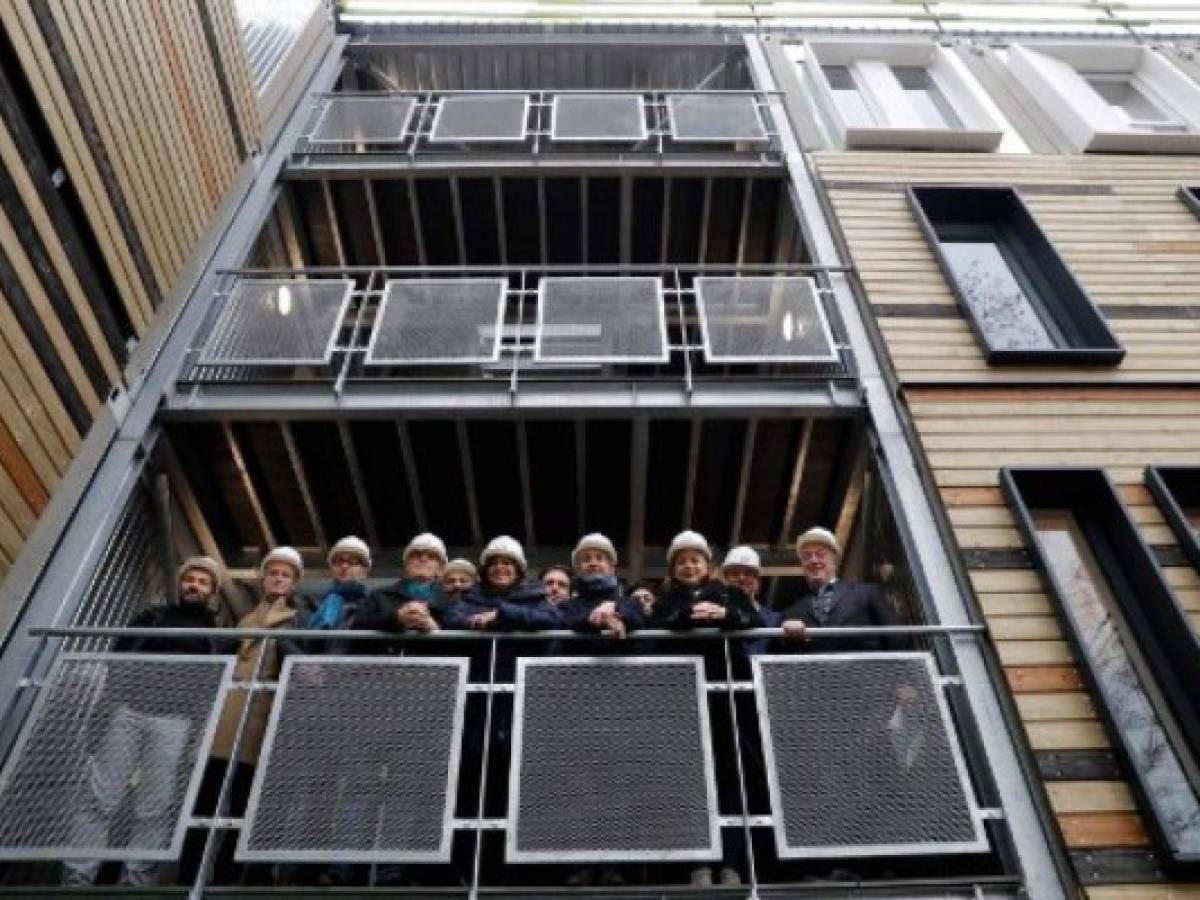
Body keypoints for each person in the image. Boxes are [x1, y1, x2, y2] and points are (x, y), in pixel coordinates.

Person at [63, 557, 226, 887]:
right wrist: (105, 710)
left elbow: (213, 682)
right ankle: (78, 877)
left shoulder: (217, 634)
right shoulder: (152, 618)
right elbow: (118, 662)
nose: (194, 585)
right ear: (180, 585)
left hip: (174, 722)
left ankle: (136, 882)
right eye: (189, 579)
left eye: (202, 582)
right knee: (99, 797)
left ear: (213, 592)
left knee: (156, 805)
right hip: (128, 712)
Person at [651, 532, 759, 888]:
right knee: (690, 780)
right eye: (681, 561)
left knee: (731, 777)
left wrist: (724, 613)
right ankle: (699, 862)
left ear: (707, 566)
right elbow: (661, 622)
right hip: (681, 701)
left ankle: (731, 864)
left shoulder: (731, 594)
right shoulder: (666, 599)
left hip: (727, 697)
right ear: (673, 569)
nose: (689, 566)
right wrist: (695, 615)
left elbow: (752, 620)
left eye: (695, 560)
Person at [780, 527, 903, 652]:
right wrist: (784, 638)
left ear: (834, 560)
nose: (813, 560)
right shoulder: (793, 612)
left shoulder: (867, 593)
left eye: (820, 554)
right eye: (806, 557)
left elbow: (897, 638)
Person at [355, 533, 447, 643]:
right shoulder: (379, 595)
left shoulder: (453, 597)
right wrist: (397, 617)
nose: (423, 559)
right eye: (416, 555)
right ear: (406, 564)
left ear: (440, 569)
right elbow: (358, 626)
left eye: (432, 557)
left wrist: (435, 630)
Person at [558, 533, 643, 639]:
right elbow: (568, 622)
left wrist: (614, 606)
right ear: (578, 570)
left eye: (599, 558)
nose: (593, 563)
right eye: (586, 559)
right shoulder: (567, 606)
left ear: (611, 568)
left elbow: (637, 619)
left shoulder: (630, 602)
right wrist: (602, 618)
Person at [305, 536, 372, 655]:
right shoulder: (313, 605)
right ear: (331, 569)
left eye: (353, 562)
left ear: (365, 571)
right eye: (339, 561)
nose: (344, 566)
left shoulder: (373, 604)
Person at [720, 546, 780, 658]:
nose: (741, 578)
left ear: (758, 583)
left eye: (748, 573)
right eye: (735, 573)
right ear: (725, 581)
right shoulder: (714, 616)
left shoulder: (776, 620)